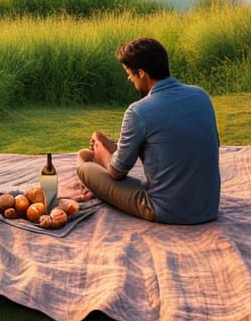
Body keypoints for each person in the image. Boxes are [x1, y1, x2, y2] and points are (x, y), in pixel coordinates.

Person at [76, 37, 220, 225]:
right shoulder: (201, 96)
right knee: (99, 155)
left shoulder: (138, 110)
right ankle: (101, 155)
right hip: (208, 207)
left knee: (84, 162)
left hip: (167, 210)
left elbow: (117, 173)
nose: (130, 79)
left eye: (130, 74)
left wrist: (102, 153)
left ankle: (90, 173)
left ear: (142, 73)